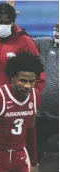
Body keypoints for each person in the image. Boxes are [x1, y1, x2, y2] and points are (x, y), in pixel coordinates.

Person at [0, 3, 45, 92]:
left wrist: (32, 97)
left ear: (13, 21)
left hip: (19, 100)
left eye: (7, 22)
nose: (3, 25)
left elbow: (39, 74)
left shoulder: (25, 42)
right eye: (0, 22)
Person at [33, 22, 59, 163]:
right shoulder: (45, 43)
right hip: (42, 117)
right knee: (34, 157)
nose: (57, 31)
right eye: (56, 27)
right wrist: (13, 23)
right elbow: (22, 41)